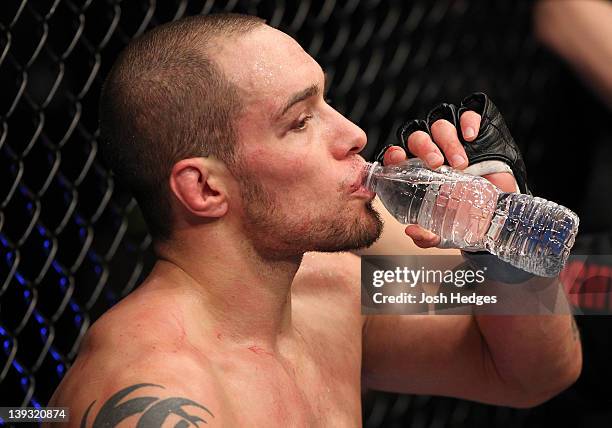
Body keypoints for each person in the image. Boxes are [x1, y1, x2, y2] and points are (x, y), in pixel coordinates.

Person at [47, 13, 581, 426]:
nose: (354, 133)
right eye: (299, 121)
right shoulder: (160, 394)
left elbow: (535, 373)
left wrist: (498, 237)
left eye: (327, 103)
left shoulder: (337, 289)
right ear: (205, 188)